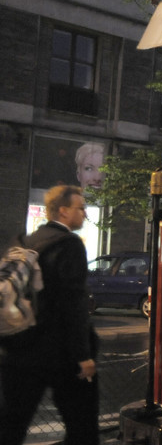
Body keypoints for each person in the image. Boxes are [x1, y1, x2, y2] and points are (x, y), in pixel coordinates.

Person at [0, 185, 99, 445]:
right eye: (80, 208)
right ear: (64, 211)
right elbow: (74, 304)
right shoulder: (69, 245)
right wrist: (83, 355)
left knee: (12, 425)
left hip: (19, 348)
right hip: (61, 355)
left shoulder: (25, 243)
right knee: (82, 427)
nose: (84, 214)